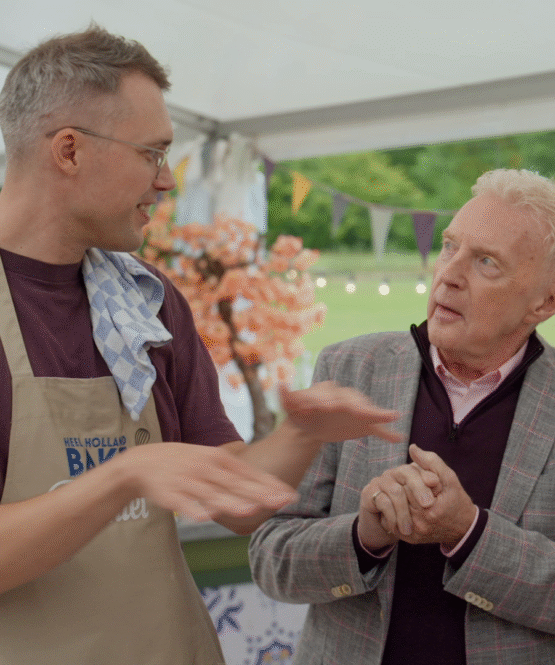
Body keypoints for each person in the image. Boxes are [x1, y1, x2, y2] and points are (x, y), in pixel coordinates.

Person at [0, 25, 402, 665]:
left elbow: (238, 504)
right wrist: (125, 475)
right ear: (69, 151)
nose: (165, 182)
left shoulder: (146, 300)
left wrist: (302, 434)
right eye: (151, 154)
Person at [249, 168, 555, 665]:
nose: (449, 275)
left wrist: (469, 532)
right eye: (449, 246)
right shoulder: (350, 368)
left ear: (548, 301)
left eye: (486, 262)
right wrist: (364, 535)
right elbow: (271, 557)